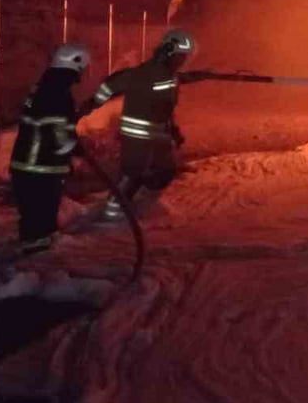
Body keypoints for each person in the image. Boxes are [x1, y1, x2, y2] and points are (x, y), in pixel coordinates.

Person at [81, 28, 196, 222]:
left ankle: (140, 206)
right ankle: (112, 214)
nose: (182, 61)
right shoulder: (146, 73)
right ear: (168, 52)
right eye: (180, 57)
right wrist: (91, 104)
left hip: (157, 135)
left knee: (164, 172)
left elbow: (164, 108)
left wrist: (173, 131)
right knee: (132, 176)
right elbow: (112, 84)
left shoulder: (168, 76)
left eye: (184, 57)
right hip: (137, 135)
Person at [10, 43, 91, 254]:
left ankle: (40, 244)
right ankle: (34, 260)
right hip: (39, 165)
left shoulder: (44, 86)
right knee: (40, 211)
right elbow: (58, 132)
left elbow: (52, 125)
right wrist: (75, 148)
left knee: (37, 211)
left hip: (28, 162)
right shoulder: (57, 93)